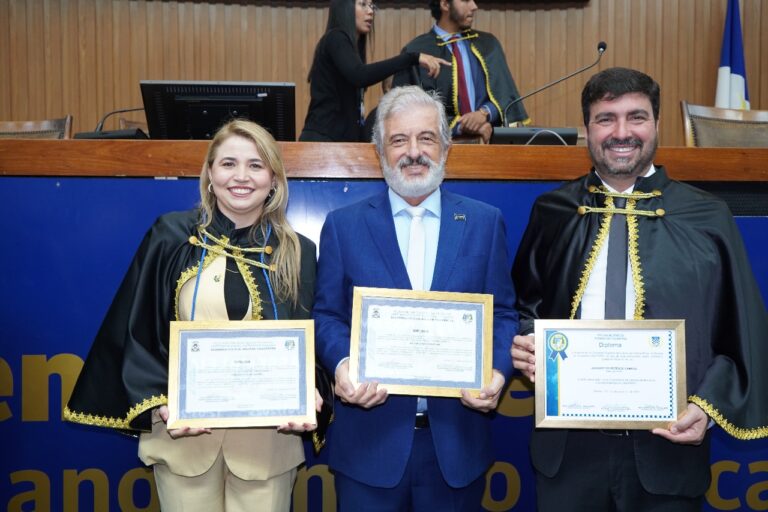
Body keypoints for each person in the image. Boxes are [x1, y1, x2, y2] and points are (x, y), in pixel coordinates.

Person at [511, 67, 768, 511]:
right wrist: (526, 344)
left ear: (657, 123)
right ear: (587, 128)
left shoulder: (707, 217)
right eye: (605, 118)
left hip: (669, 449)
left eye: (636, 117)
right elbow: (523, 307)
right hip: (568, 455)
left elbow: (740, 331)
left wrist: (706, 410)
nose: (621, 132)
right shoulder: (553, 210)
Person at [64, 119, 332, 512]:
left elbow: (313, 340)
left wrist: (309, 392)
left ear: (274, 178)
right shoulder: (170, 236)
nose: (241, 177)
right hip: (183, 441)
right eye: (228, 164)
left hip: (267, 446)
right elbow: (138, 329)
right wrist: (161, 401)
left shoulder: (299, 251)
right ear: (209, 174)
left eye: (256, 165)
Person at [313, 85, 518, 510]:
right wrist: (344, 364)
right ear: (379, 151)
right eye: (398, 140)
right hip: (368, 446)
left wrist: (497, 372)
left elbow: (502, 314)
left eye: (426, 138)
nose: (413, 152)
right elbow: (327, 314)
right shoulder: (343, 226)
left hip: (457, 446)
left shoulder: (484, 223)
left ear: (445, 146)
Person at [300, 0, 449, 142]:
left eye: (371, 5)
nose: (370, 11)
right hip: (322, 141)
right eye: (363, 4)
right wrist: (412, 58)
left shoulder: (353, 48)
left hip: (341, 143)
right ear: (344, 7)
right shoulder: (336, 37)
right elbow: (360, 75)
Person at [393, 0, 529, 143]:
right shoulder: (417, 51)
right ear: (445, 4)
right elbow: (410, 109)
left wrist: (485, 113)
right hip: (439, 147)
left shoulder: (488, 45)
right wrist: (460, 126)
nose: (474, 6)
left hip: (488, 143)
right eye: (465, 1)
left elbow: (506, 95)